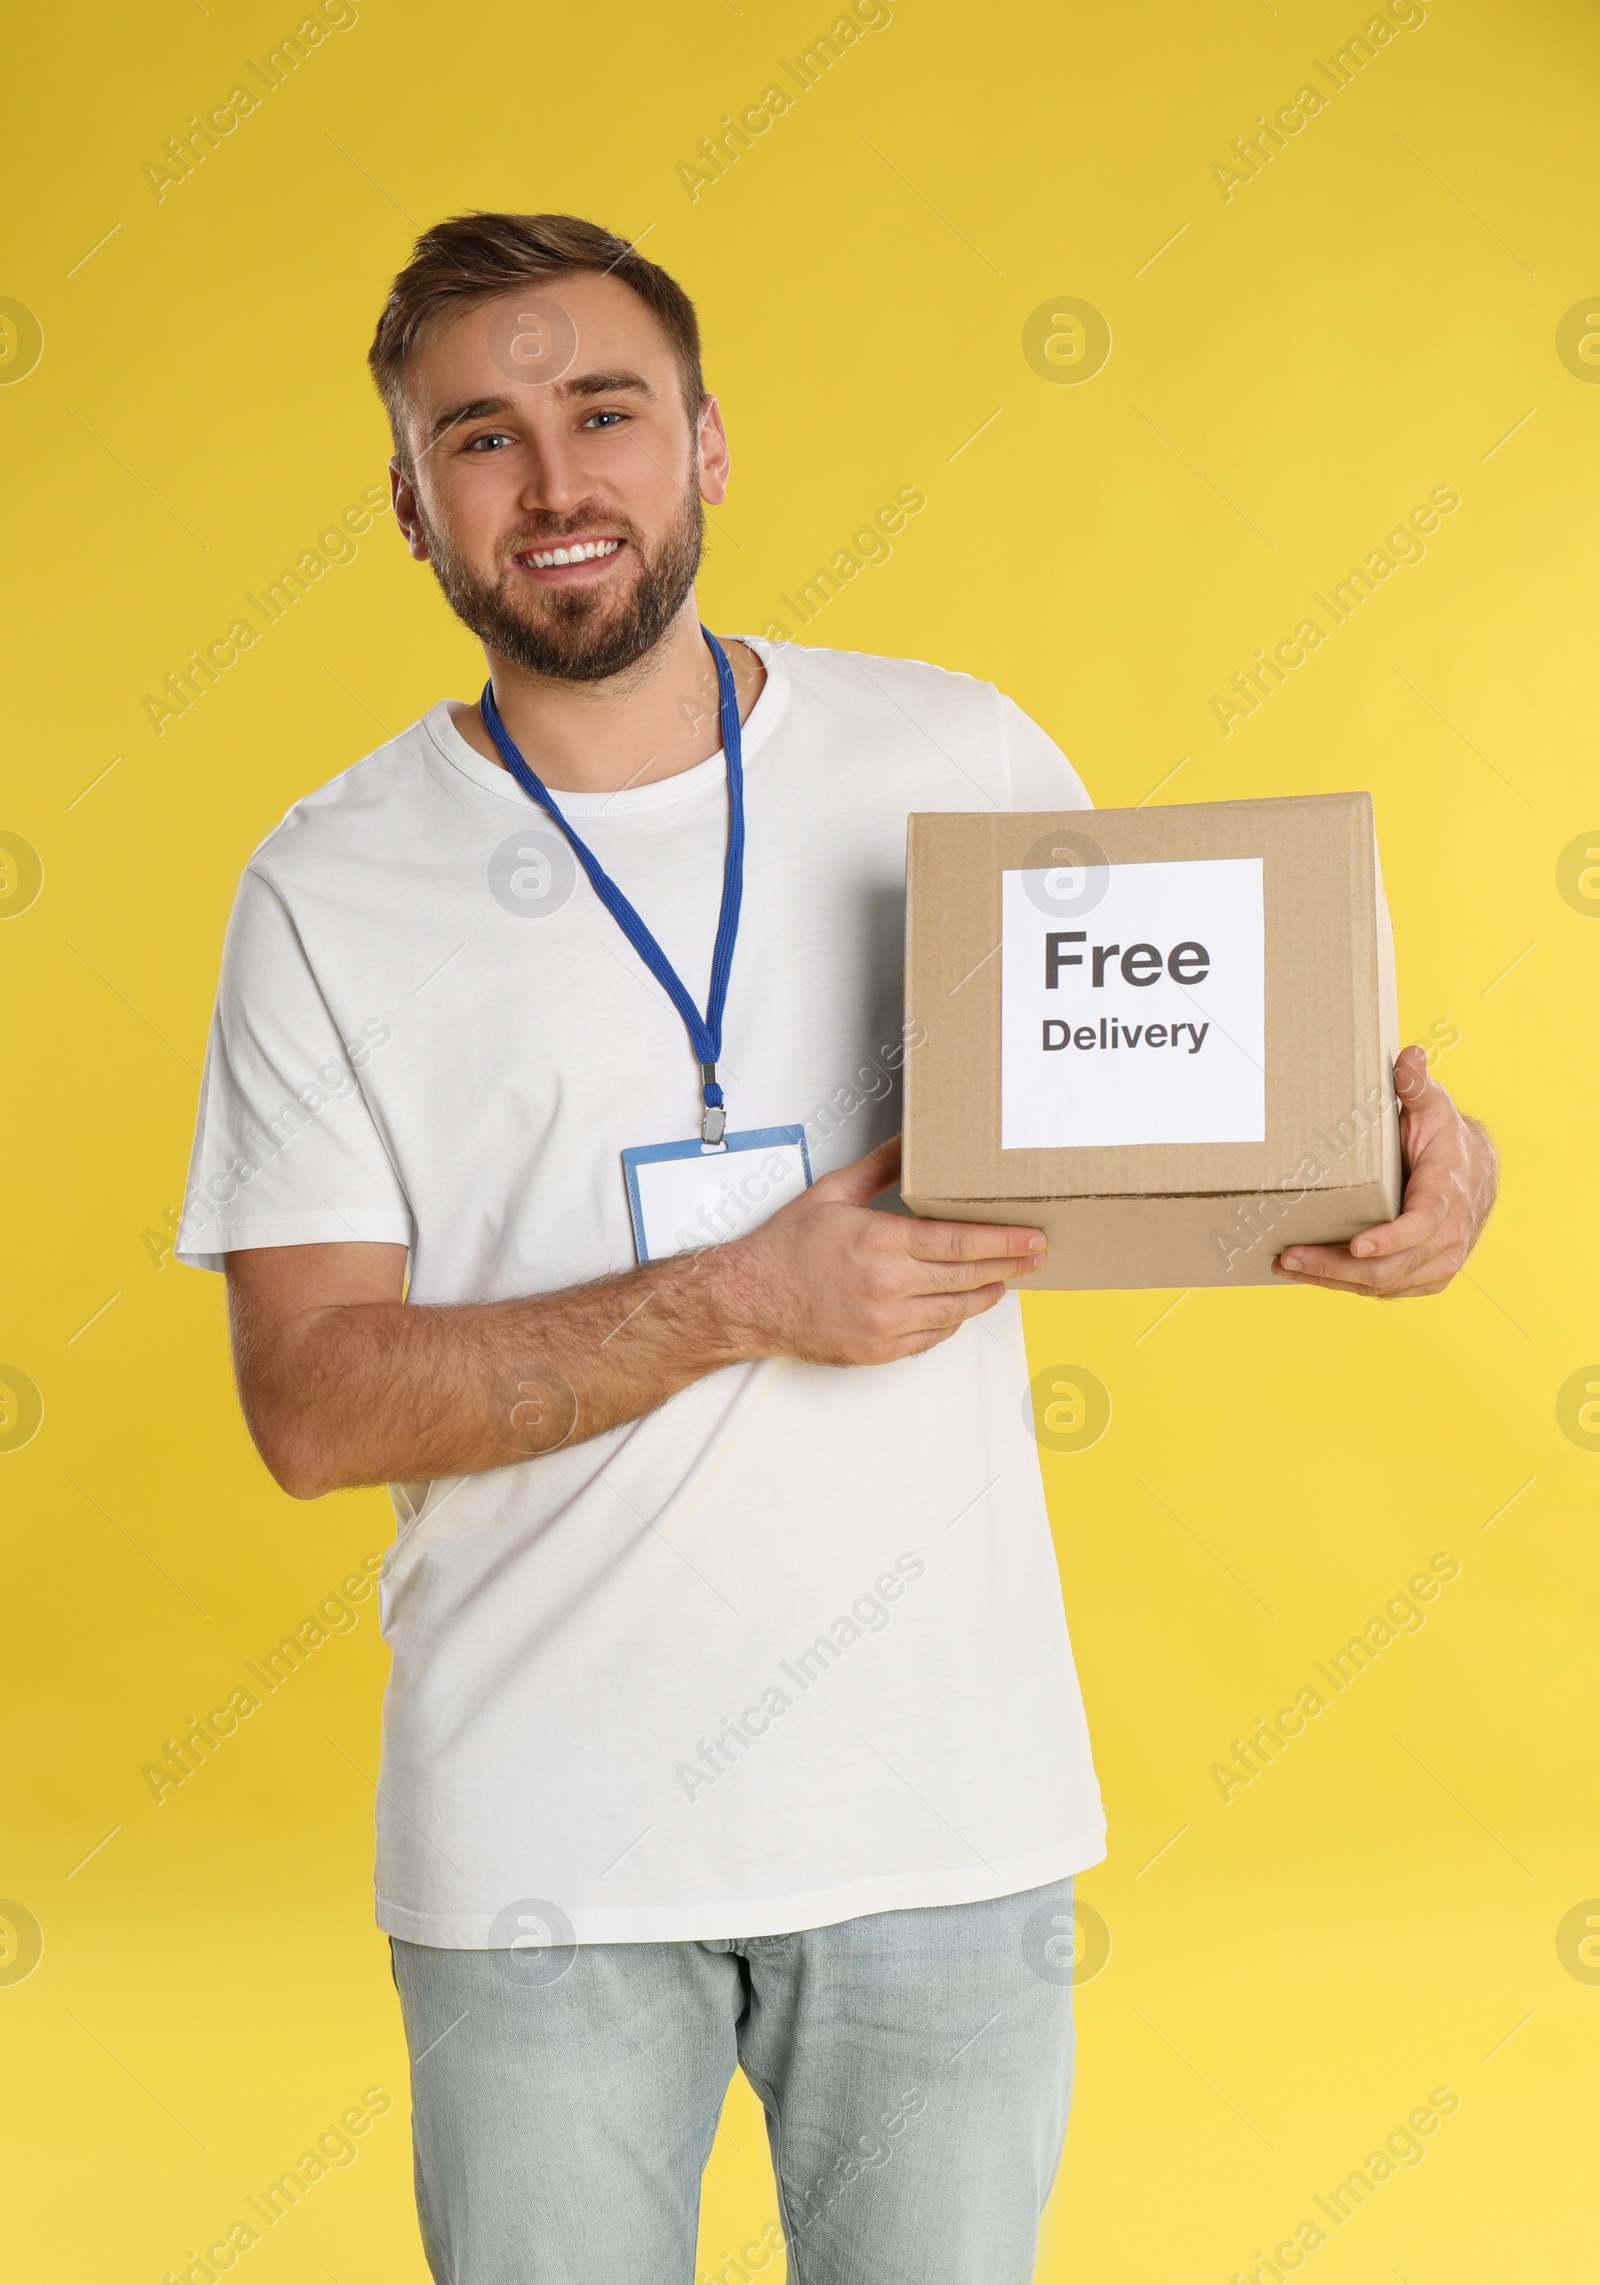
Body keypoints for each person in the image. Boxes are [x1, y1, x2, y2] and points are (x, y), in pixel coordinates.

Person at [174, 212, 1498, 2285]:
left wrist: (1392, 1183)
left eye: (603, 413)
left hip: (938, 1831)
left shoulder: (948, 757)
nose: (554, 482)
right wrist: (735, 1300)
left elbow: (1156, 1128)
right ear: (410, 505)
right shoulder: (324, 891)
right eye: (481, 439)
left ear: (704, 447)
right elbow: (311, 1403)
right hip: (537, 1857)